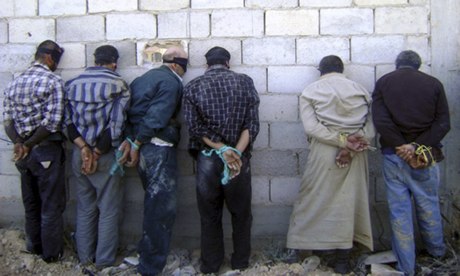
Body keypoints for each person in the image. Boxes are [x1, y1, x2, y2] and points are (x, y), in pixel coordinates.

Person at [286, 55, 375, 274]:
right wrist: (351, 143)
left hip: (324, 152)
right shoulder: (361, 90)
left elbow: (311, 129)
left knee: (312, 198)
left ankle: (300, 251)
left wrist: (342, 142)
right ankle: (343, 260)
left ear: (321, 71)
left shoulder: (310, 91)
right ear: (342, 70)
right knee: (349, 202)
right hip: (358, 151)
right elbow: (371, 129)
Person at [372, 50, 450, 275]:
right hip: (425, 157)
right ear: (419, 65)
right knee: (429, 205)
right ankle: (438, 257)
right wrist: (416, 147)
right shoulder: (434, 84)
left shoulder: (384, 82)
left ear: (397, 65)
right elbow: (443, 123)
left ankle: (406, 266)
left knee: (399, 212)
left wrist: (401, 147)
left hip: (394, 157)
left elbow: (381, 121)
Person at [183, 46, 260, 274]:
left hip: (208, 159)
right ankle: (240, 262)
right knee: (241, 214)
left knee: (209, 215)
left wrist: (221, 148)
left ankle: (211, 265)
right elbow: (251, 124)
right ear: (228, 63)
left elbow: (195, 128)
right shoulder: (245, 82)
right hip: (238, 159)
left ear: (206, 65)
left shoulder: (193, 86)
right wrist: (235, 152)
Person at [64, 45, 132, 269]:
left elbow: (68, 122)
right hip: (104, 156)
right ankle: (103, 262)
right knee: (109, 209)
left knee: (85, 206)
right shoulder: (118, 84)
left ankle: (84, 259)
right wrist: (96, 152)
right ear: (114, 62)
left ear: (94, 60)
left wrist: (83, 148)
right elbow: (116, 124)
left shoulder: (72, 84)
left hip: (79, 153)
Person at [3, 40, 66, 262]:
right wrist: (29, 144)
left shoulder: (14, 83)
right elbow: (52, 123)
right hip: (45, 151)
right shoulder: (52, 81)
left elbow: (8, 120)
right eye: (57, 59)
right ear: (48, 57)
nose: (57, 65)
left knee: (31, 202)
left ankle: (34, 247)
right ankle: (51, 256)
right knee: (50, 204)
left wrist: (19, 143)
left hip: (23, 154)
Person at [127, 46, 188, 276]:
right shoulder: (171, 83)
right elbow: (157, 115)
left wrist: (132, 141)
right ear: (174, 64)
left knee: (153, 203)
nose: (184, 70)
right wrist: (137, 141)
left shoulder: (143, 79)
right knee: (161, 208)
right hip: (157, 147)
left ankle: (146, 254)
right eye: (184, 65)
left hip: (143, 148)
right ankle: (151, 267)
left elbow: (130, 111)